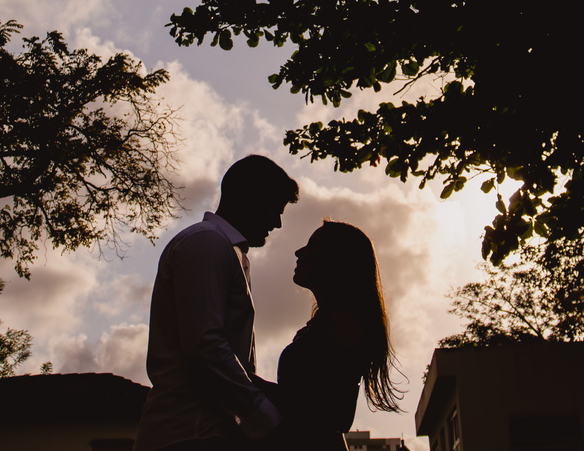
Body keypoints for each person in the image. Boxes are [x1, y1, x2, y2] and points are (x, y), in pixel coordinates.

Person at [135, 155, 300, 451]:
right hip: (186, 435)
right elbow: (204, 345)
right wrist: (266, 417)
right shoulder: (207, 244)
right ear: (248, 195)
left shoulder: (224, 250)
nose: (276, 223)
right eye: (274, 209)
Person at [252, 220, 402, 451]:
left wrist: (250, 383)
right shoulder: (330, 324)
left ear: (336, 260)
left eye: (313, 245)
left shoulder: (344, 326)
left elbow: (335, 414)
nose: (299, 252)